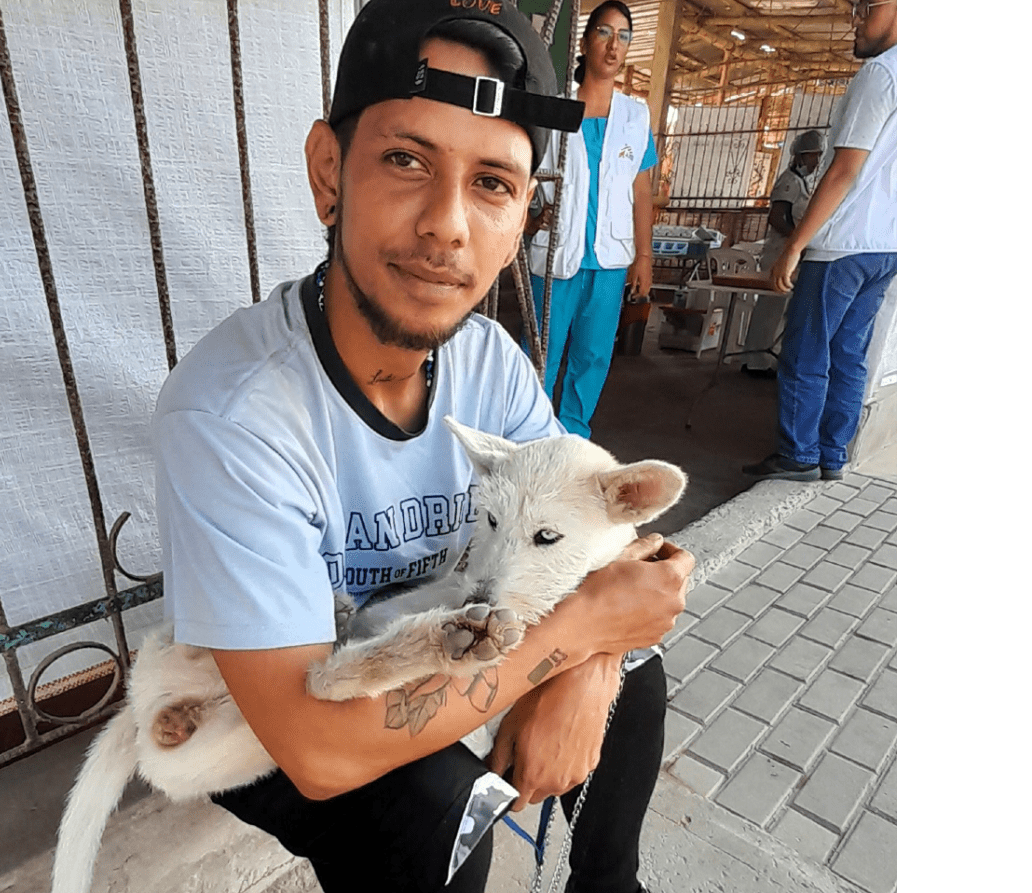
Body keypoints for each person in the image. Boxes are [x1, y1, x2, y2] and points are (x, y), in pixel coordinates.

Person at [151, 2, 694, 891]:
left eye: (493, 183)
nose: (448, 223)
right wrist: (583, 630)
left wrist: (590, 668)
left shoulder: (486, 358)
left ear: (522, 214)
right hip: (270, 711)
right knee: (443, 803)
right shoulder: (233, 413)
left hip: (437, 638)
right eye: (406, 160)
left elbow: (628, 552)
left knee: (635, 673)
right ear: (330, 173)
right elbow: (317, 745)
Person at [743, 0, 897, 482]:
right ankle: (833, 453)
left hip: (843, 244)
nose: (855, 18)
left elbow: (846, 168)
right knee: (849, 353)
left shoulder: (881, 74)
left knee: (807, 350)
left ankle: (798, 454)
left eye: (865, 7)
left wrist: (795, 245)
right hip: (886, 245)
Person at [524, 1, 656, 439]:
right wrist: (531, 214)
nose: (614, 45)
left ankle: (573, 441)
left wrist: (644, 256)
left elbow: (641, 190)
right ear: (584, 42)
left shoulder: (636, 117)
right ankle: (529, 438)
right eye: (604, 32)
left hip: (610, 263)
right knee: (539, 353)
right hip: (557, 255)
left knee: (593, 357)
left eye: (624, 36)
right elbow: (526, 171)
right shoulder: (555, 110)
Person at [743, 129, 825, 378]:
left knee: (784, 311)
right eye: (814, 156)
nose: (816, 162)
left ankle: (771, 358)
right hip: (780, 252)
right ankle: (754, 360)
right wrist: (797, 241)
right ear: (801, 155)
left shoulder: (802, 184)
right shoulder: (789, 181)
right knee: (770, 308)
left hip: (792, 253)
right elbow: (777, 217)